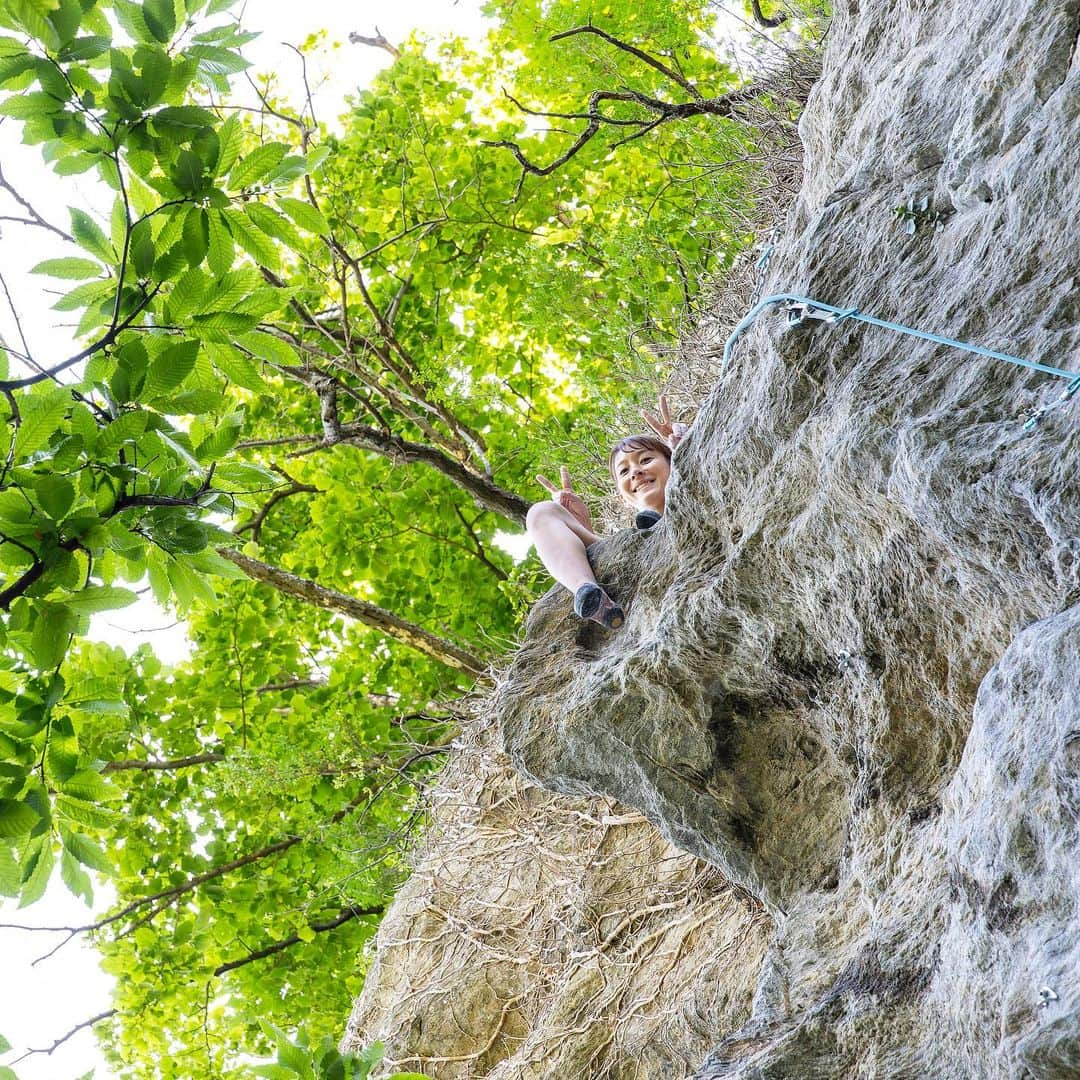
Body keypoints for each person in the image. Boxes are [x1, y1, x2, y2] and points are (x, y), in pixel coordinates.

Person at [526, 395, 689, 629]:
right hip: (629, 554)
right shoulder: (623, 543)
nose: (635, 472)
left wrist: (686, 448)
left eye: (645, 459)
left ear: (671, 462)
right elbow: (607, 557)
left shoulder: (692, 476)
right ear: (623, 496)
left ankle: (653, 523)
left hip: (680, 520)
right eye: (624, 472)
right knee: (541, 512)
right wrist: (581, 525)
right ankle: (589, 594)